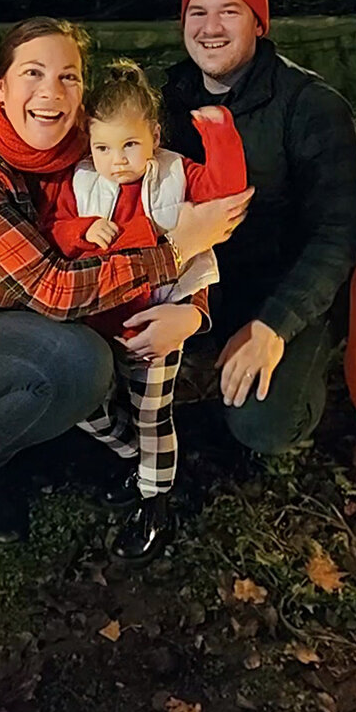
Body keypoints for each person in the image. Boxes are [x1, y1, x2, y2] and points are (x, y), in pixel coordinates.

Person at [0, 18, 254, 543]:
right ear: (0, 86)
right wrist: (174, 248)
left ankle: (90, 440)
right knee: (78, 362)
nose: (51, 92)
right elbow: (55, 290)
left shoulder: (92, 146)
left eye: (69, 77)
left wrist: (192, 307)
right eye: (33, 73)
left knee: (86, 368)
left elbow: (184, 205)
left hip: (45, 322)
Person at [34, 59, 246, 562]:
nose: (117, 160)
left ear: (152, 135)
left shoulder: (176, 172)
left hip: (157, 318)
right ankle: (138, 459)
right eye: (103, 147)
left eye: (130, 145)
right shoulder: (81, 180)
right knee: (88, 405)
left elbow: (225, 193)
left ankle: (155, 501)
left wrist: (220, 137)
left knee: (153, 415)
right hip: (96, 318)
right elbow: (53, 224)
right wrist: (80, 231)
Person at [162, 0, 356, 455]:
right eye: (197, 12)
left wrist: (276, 324)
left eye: (229, 10)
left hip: (282, 286)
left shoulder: (310, 106)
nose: (211, 27)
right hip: (199, 281)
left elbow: (337, 234)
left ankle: (300, 379)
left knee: (264, 423)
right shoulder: (167, 98)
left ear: (258, 22)